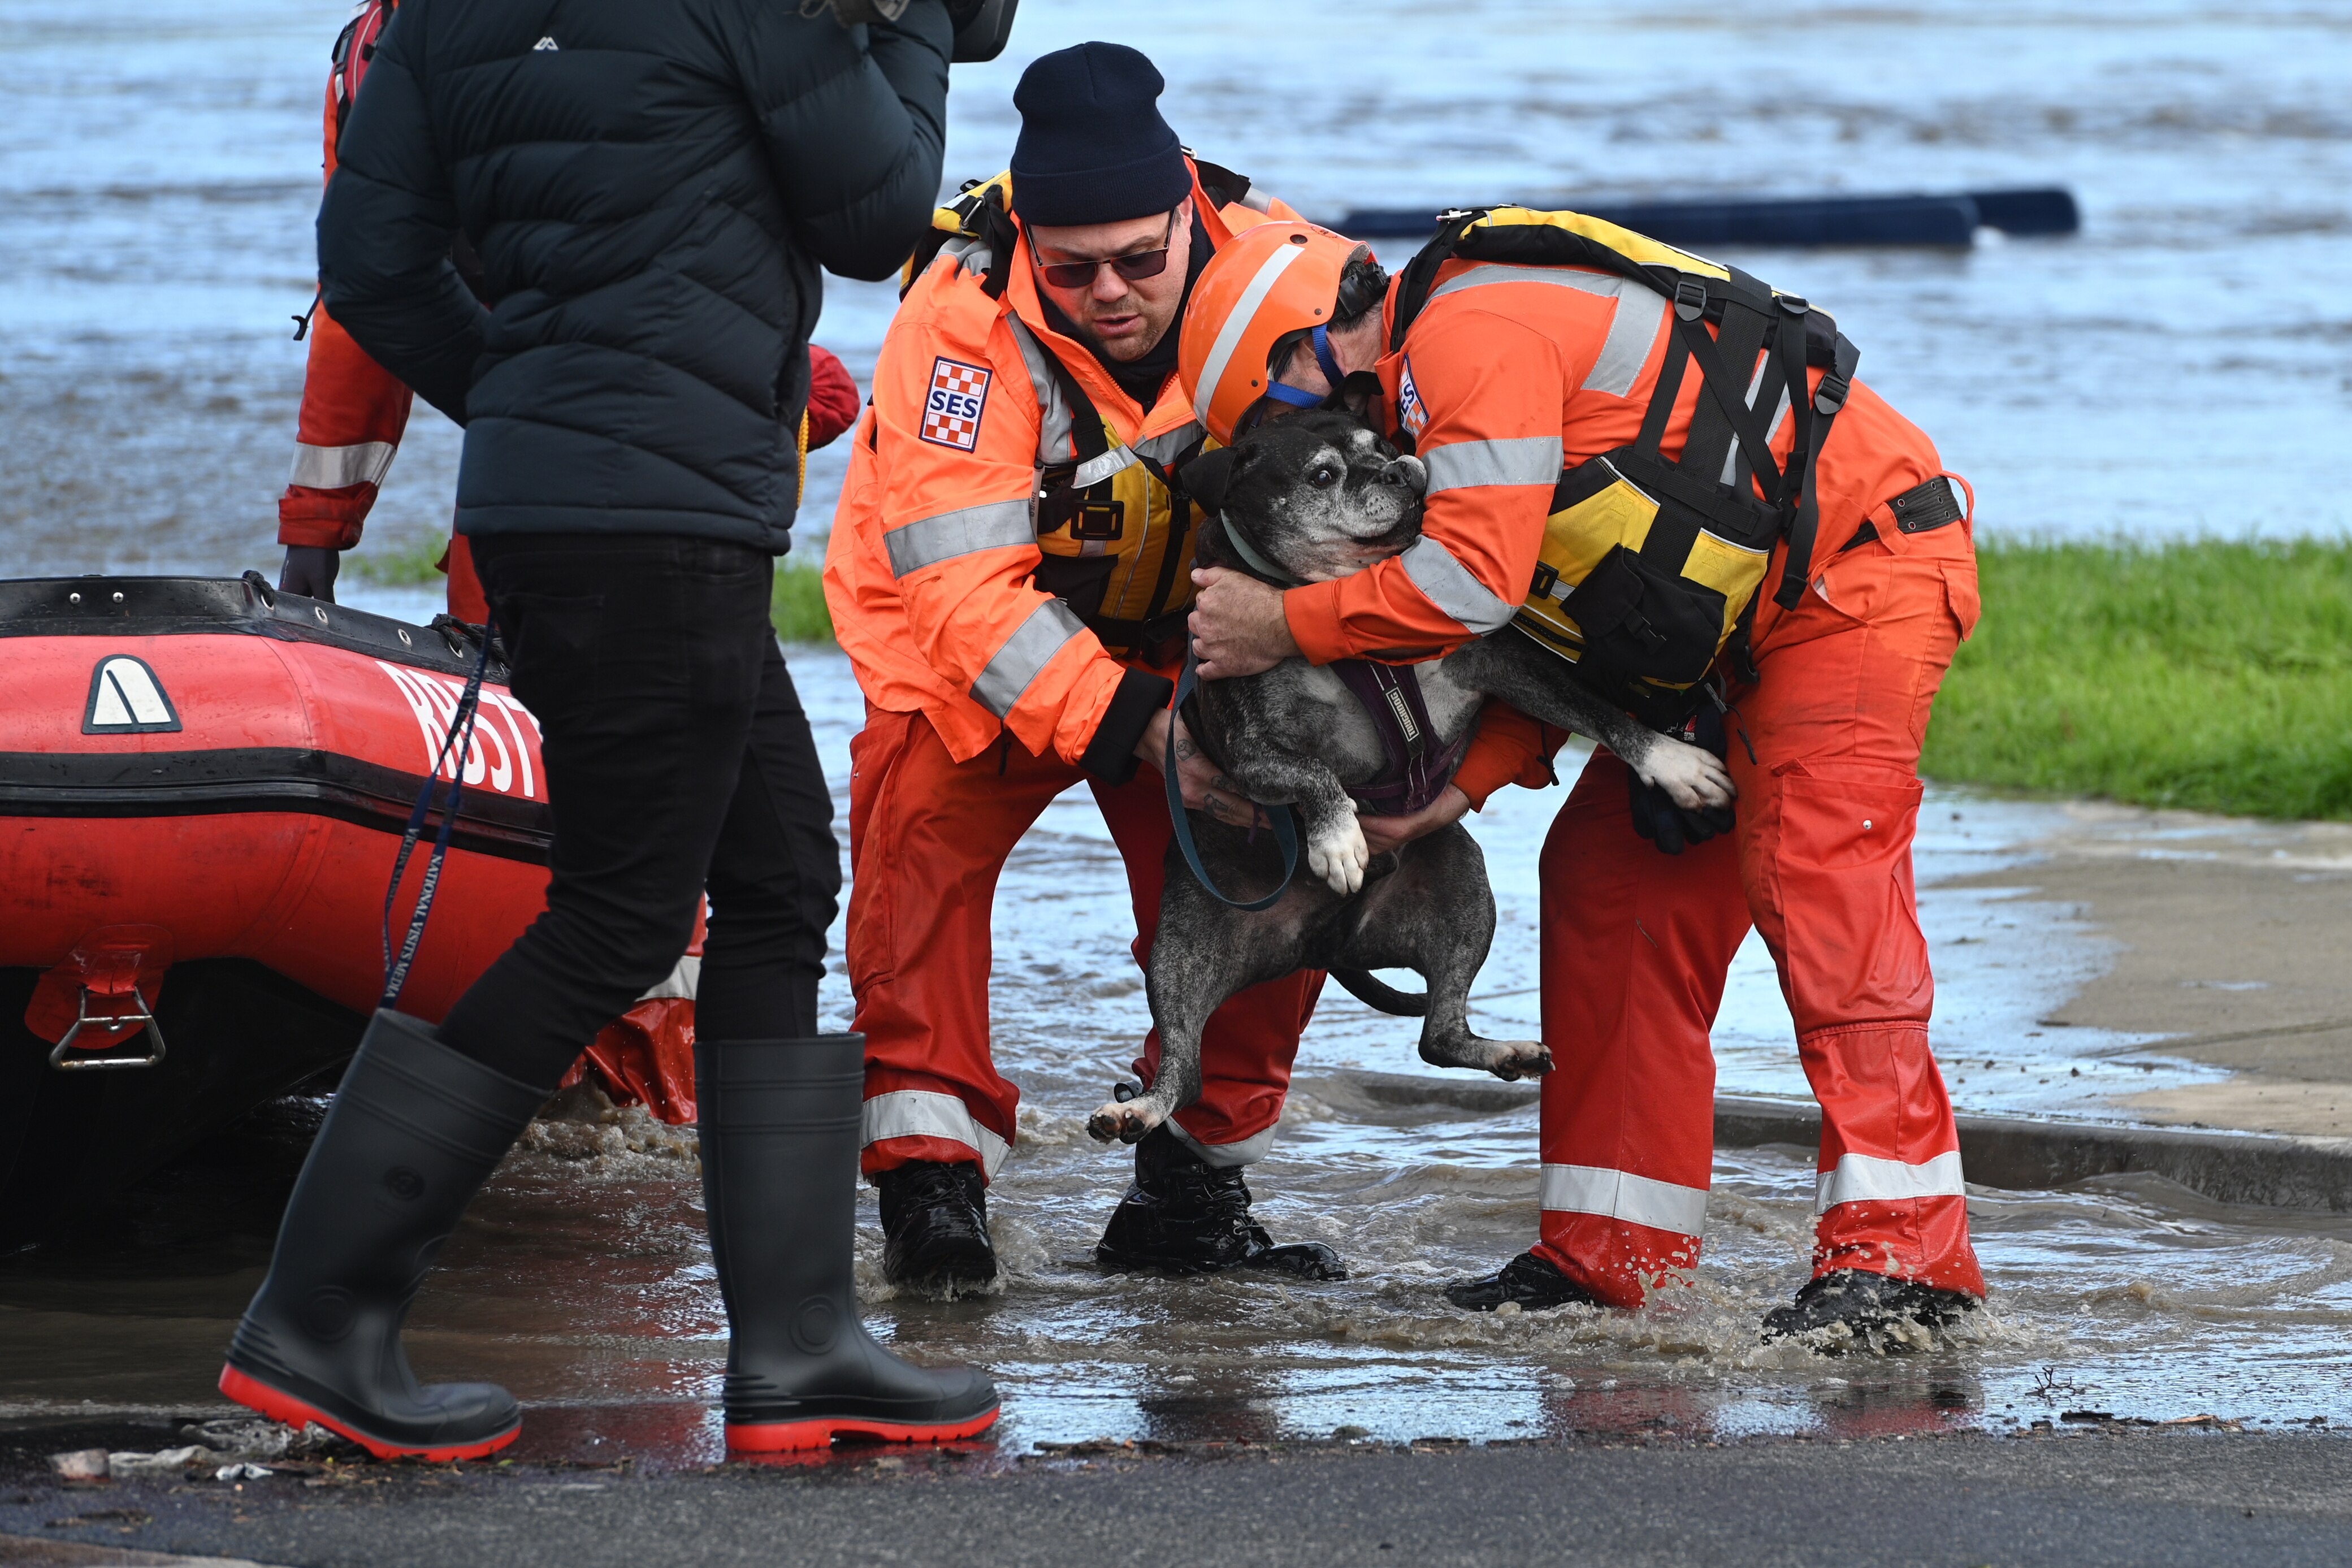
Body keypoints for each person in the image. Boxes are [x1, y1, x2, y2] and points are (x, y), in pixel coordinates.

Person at [221, 0, 1010, 1459]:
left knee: (779, 875)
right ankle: (317, 1318)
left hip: (558, 506)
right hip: (663, 519)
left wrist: (532, 399)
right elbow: (883, 207)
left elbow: (370, 264)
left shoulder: (442, 16)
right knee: (617, 916)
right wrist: (912, 24)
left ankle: (794, 1346)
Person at [1176, 214, 1987, 1340]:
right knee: (1607, 882)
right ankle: (1612, 1258)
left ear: (1312, 348)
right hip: (1726, 632)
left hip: (1853, 580)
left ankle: (1907, 1263)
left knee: (1815, 880)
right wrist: (1444, 801)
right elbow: (1541, 635)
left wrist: (1283, 622)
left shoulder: (1468, 332)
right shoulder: (1430, 378)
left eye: (1286, 433)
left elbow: (1473, 583)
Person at [823, 41, 1345, 1294]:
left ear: (1190, 218)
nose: (1109, 293)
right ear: (1026, 243)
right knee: (918, 863)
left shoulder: (1299, 285)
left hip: (1191, 624)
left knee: (1279, 860)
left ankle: (1187, 1190)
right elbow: (962, 592)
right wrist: (1146, 733)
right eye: (1072, 269)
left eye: (1139, 262)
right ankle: (933, 1190)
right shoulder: (957, 325)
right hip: (968, 629)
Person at [272, 0, 865, 622]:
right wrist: (317, 523)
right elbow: (362, 309)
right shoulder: (368, 61)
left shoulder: (623, 41)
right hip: (532, 407)